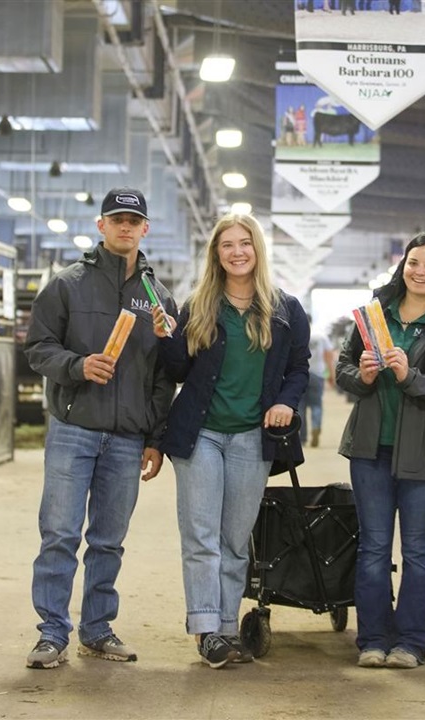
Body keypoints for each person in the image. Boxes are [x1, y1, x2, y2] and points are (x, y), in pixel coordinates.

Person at [23, 187, 178, 669]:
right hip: (75, 427)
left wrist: (155, 439)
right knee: (60, 534)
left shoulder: (160, 299)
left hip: (128, 438)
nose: (125, 226)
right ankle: (52, 633)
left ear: (145, 228)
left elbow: (164, 377)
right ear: (101, 226)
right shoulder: (67, 284)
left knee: (109, 539)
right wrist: (76, 365)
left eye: (134, 220)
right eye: (117, 218)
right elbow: (37, 348)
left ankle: (96, 628)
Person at [152, 212, 310, 669]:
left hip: (252, 438)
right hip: (200, 434)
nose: (237, 251)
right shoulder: (199, 305)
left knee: (236, 540)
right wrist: (166, 338)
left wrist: (286, 402)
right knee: (202, 536)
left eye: (245, 243)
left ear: (257, 250)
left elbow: (299, 368)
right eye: (227, 245)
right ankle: (206, 631)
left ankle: (224, 626)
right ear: (216, 254)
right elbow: (178, 370)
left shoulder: (285, 310)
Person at [336, 234, 425, 669]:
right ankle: (373, 639)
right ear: (403, 266)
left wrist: (410, 376)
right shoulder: (374, 315)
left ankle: (412, 642)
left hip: (424, 452)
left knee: (417, 550)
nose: (420, 271)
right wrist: (360, 375)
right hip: (370, 448)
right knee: (374, 547)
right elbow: (342, 368)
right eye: (414, 262)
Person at [298, 314, 336, 447]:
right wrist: (332, 375)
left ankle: (302, 438)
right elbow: (329, 357)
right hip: (318, 374)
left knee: (300, 406)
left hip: (300, 374)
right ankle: (316, 427)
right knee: (316, 405)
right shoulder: (321, 336)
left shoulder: (298, 333)